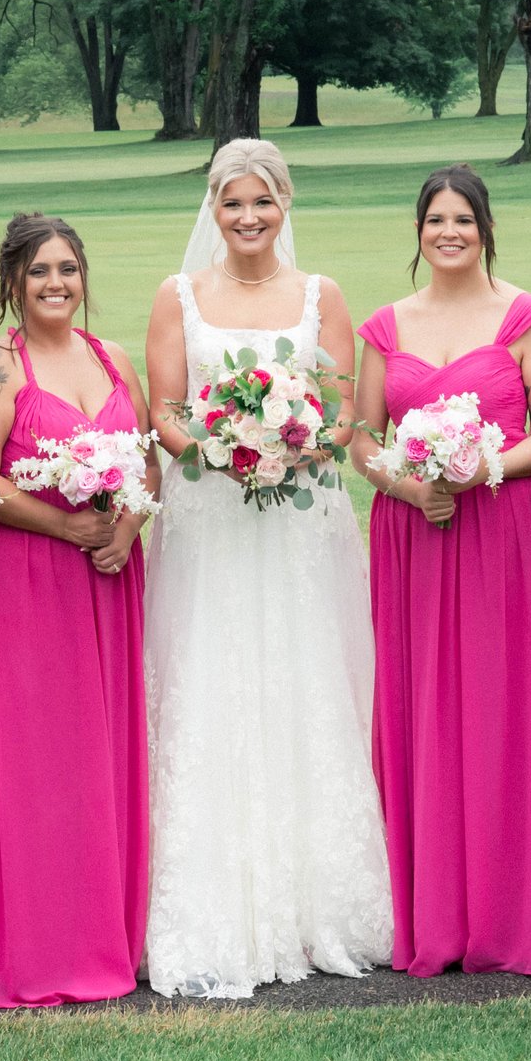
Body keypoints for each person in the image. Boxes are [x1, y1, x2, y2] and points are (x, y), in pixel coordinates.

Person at [140, 140, 391, 998]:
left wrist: (294, 446)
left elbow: (344, 409)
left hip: (295, 522)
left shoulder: (321, 295)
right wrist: (223, 446)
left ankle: (317, 903)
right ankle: (215, 904)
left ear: (286, 203)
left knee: (301, 678)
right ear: (212, 208)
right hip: (212, 516)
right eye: (233, 203)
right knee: (211, 677)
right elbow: (166, 409)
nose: (249, 218)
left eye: (264, 202)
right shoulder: (179, 296)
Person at [353, 165, 531, 977]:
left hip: (504, 532)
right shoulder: (384, 325)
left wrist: (478, 467)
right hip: (415, 534)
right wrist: (413, 485)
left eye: (463, 219)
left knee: (504, 704)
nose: (448, 232)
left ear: (486, 227)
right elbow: (361, 438)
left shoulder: (528, 318)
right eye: (434, 219)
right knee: (423, 706)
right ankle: (433, 910)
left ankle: (516, 912)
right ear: (417, 231)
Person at [0, 214, 157, 1006]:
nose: (56, 284)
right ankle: (33, 945)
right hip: (23, 582)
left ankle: (102, 929)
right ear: (12, 282)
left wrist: (127, 522)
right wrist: (64, 523)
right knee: (35, 760)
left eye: (67, 269)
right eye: (39, 272)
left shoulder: (113, 357)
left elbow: (144, 462)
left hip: (105, 580)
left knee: (97, 757)